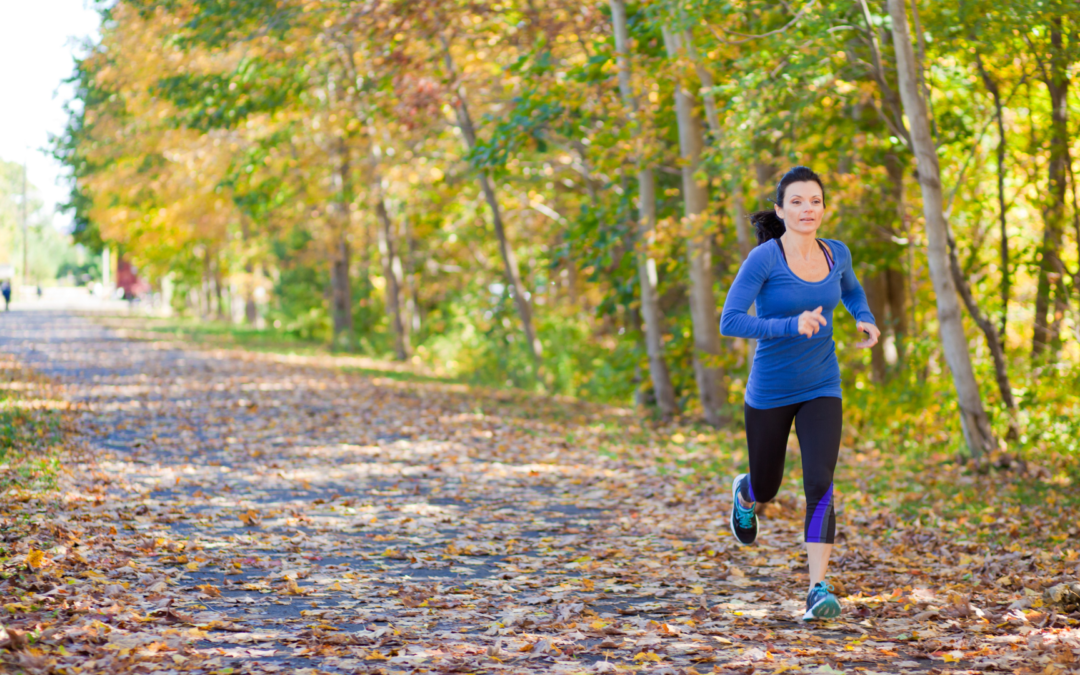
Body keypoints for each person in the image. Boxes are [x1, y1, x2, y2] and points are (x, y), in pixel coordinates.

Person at [719, 166, 880, 621]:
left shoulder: (837, 253)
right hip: (769, 391)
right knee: (768, 486)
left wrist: (862, 315)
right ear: (780, 209)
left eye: (814, 201)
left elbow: (851, 290)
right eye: (796, 201)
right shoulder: (765, 259)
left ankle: (817, 589)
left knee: (819, 482)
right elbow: (730, 320)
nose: (807, 209)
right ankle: (746, 494)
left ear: (823, 207)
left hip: (821, 385)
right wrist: (790, 325)